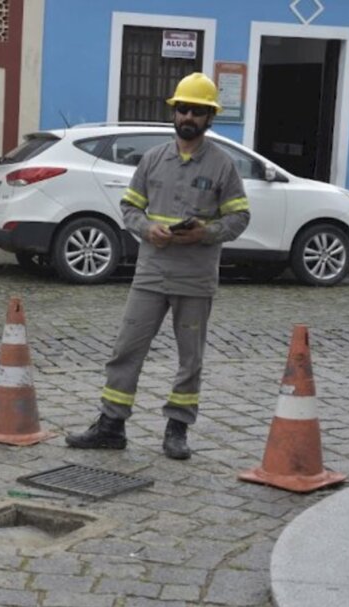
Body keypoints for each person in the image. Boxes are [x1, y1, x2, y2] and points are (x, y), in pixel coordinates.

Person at [65, 72, 251, 460]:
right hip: (150, 274)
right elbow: (130, 207)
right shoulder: (151, 160)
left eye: (198, 111)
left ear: (210, 118)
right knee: (125, 350)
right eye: (184, 108)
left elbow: (239, 218)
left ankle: (177, 429)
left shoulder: (223, 166)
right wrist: (148, 228)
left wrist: (206, 232)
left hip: (196, 279)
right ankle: (111, 425)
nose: (189, 116)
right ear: (174, 112)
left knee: (190, 359)